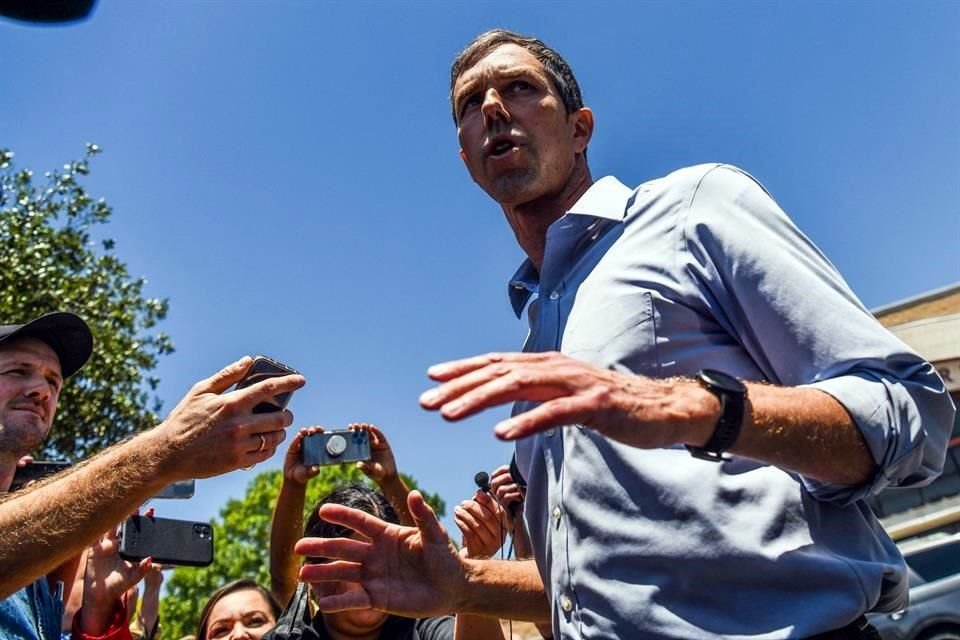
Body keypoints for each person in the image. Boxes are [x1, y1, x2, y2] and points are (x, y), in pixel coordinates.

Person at [297, 29, 956, 639]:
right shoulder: (536, 351)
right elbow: (597, 590)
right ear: (467, 154)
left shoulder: (694, 208)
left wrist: (697, 408)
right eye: (470, 104)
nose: (493, 107)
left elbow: (910, 410)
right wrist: (468, 583)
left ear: (580, 128)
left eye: (520, 87)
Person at [0, 311, 304, 621]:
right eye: (18, 371)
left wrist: (98, 613)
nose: (42, 389)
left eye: (54, 380)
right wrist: (166, 449)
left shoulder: (37, 578)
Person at [271, 426, 504, 640]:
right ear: (314, 576)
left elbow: (426, 556)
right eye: (355, 560)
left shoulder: (424, 629)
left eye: (381, 562)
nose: (370, 576)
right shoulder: (291, 636)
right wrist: (293, 484)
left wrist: (473, 566)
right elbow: (283, 582)